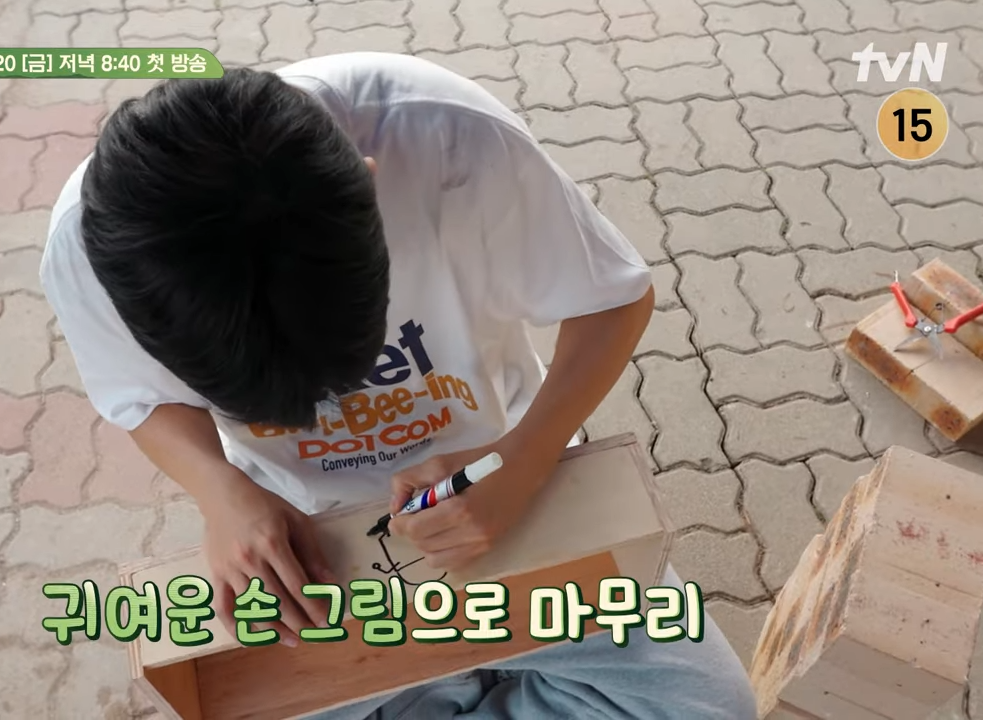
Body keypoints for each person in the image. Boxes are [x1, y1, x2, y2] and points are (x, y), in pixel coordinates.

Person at [40, 52, 756, 719]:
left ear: (370, 182)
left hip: (506, 481)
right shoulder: (95, 246)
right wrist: (222, 492)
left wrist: (521, 462)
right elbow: (142, 397)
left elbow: (615, 299)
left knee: (708, 706)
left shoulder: (455, 142)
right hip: (304, 537)